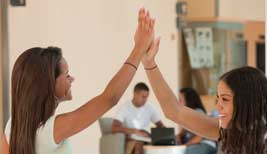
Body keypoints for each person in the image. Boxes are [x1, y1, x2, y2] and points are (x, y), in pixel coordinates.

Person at [1, 8, 155, 154]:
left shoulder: (12, 125)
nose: (72, 78)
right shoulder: (51, 130)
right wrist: (139, 49)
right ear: (49, 84)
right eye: (67, 74)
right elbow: (109, 98)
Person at [141, 37, 267, 154]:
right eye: (218, 98)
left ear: (246, 103)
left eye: (225, 99)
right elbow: (174, 111)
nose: (218, 106)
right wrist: (149, 64)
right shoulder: (230, 133)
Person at [112, 82, 165, 154]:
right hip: (132, 139)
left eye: (146, 97)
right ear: (135, 94)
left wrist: (168, 135)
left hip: (147, 138)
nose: (145, 100)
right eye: (143, 97)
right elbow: (115, 128)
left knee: (162, 144)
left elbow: (160, 125)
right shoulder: (124, 107)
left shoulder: (149, 107)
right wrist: (135, 131)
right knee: (139, 143)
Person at [177, 87, 216, 154]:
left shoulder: (198, 112)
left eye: (180, 99)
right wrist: (177, 136)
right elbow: (184, 131)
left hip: (205, 144)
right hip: (196, 144)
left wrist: (185, 145)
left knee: (184, 152)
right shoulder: (188, 114)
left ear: (188, 100)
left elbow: (200, 137)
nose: (179, 102)